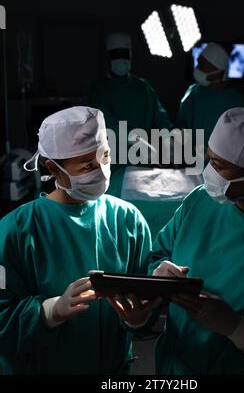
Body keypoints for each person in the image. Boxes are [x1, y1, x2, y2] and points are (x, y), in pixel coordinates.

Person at [0, 106, 159, 375]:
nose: (101, 170)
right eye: (87, 165)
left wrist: (138, 318)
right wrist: (51, 311)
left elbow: (143, 300)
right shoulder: (15, 230)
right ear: (53, 168)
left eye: (105, 157)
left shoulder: (127, 220)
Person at [149, 107, 244, 374]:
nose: (209, 172)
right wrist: (159, 274)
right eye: (210, 160)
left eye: (219, 167)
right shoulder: (199, 201)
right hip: (176, 367)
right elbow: (160, 253)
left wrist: (239, 331)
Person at [88, 33, 172, 166]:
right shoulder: (99, 90)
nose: (120, 59)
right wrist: (136, 140)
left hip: (142, 159)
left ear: (131, 56)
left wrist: (169, 139)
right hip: (113, 160)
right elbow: (106, 122)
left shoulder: (143, 87)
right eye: (116, 55)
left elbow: (159, 116)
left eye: (124, 54)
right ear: (107, 58)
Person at [176, 43, 244, 151]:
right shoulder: (193, 92)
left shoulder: (236, 102)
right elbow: (180, 124)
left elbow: (240, 141)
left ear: (218, 72)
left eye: (202, 66)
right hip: (192, 162)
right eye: (197, 64)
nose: (197, 70)